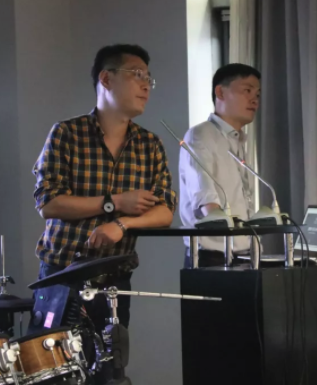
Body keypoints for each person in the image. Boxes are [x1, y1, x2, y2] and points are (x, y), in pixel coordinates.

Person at [30, 44, 177, 382]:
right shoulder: (67, 134)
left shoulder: (149, 145)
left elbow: (164, 211)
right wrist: (115, 202)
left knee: (110, 373)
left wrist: (121, 224)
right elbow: (49, 203)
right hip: (62, 276)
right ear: (106, 79)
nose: (146, 85)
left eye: (149, 78)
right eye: (137, 75)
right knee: (54, 373)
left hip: (114, 281)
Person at [179, 63, 261, 268]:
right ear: (220, 92)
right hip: (213, 258)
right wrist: (214, 213)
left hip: (245, 254)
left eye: (258, 95)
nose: (254, 100)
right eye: (247, 91)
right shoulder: (201, 135)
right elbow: (207, 202)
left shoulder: (237, 140)